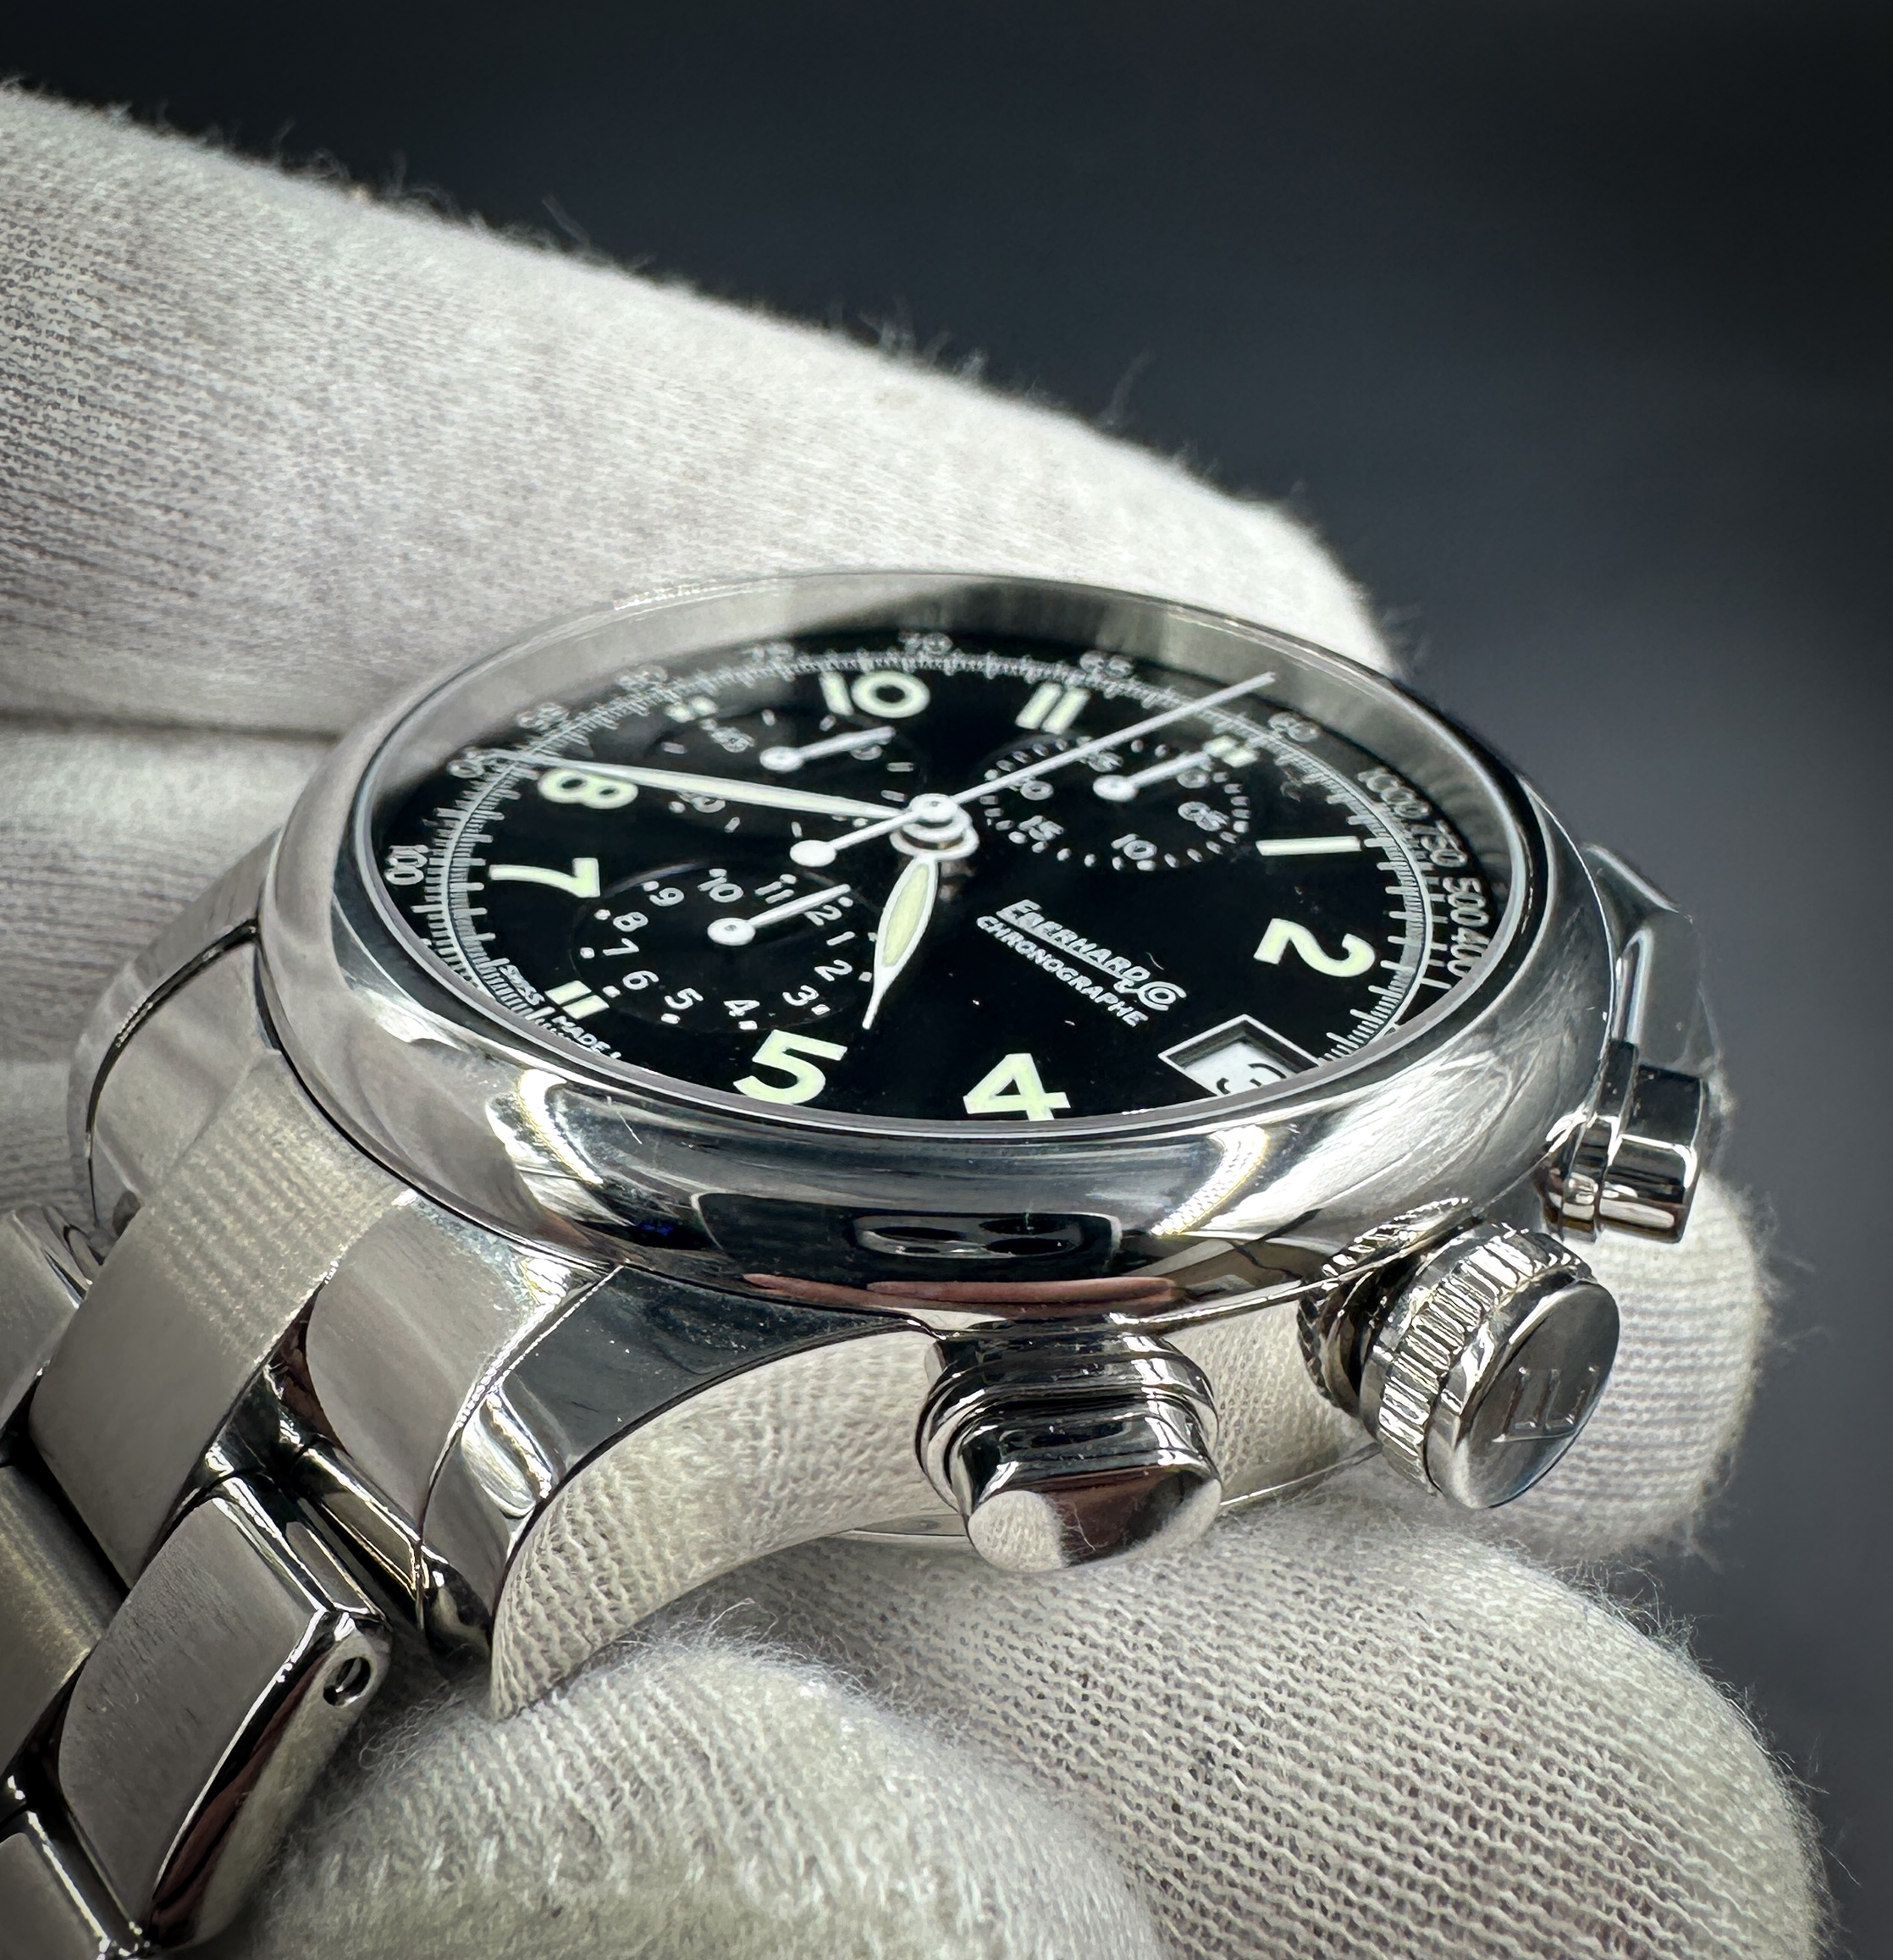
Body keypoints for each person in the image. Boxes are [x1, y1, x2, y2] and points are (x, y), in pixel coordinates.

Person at [0, 87, 1820, 1959]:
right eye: (926, 810)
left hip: (583, 1265)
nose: (942, 833)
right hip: (401, 1069)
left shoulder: (1445, 1035)